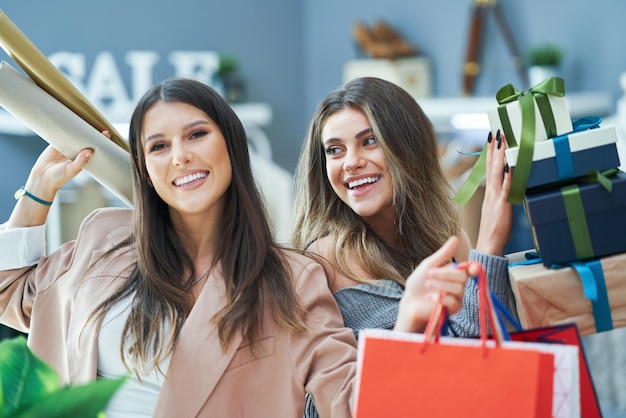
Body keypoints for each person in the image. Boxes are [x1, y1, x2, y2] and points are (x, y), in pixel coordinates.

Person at [0, 77, 481, 418]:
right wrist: (37, 194)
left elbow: (352, 404)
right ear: (144, 168)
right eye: (159, 146)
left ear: (230, 145)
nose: (181, 154)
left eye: (196, 134)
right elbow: (9, 292)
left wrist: (410, 324)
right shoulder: (103, 238)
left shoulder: (291, 279)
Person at [292, 77, 514, 417]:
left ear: (407, 147)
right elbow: (320, 409)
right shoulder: (318, 267)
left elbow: (487, 361)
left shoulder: (447, 239)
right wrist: (490, 243)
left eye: (370, 141)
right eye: (335, 150)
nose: (350, 162)